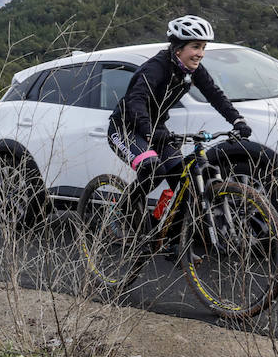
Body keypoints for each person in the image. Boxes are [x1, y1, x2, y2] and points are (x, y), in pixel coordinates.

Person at [106, 14, 253, 233]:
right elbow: (136, 101)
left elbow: (215, 95)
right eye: (195, 46)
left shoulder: (193, 69)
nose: (200, 53)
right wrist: (148, 131)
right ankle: (123, 213)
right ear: (178, 48)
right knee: (153, 169)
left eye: (203, 47)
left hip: (157, 130)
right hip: (126, 128)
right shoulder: (155, 68)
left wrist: (237, 120)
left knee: (182, 181)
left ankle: (170, 239)